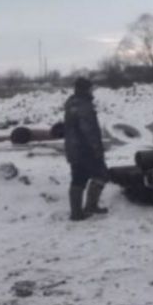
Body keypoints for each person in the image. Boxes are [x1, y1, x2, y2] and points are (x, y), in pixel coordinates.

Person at [64, 77, 108, 221]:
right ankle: (90, 206)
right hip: (86, 148)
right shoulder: (84, 106)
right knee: (101, 174)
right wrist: (97, 149)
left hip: (73, 148)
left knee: (78, 178)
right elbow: (88, 130)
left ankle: (76, 212)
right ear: (86, 89)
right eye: (90, 88)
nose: (92, 90)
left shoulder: (71, 104)